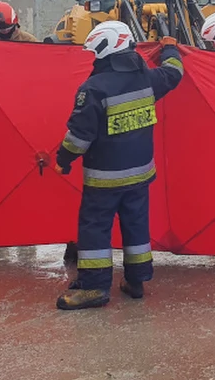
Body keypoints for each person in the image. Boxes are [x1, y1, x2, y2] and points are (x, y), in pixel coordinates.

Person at [53, 20, 184, 310]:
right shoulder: (148, 79)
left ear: (105, 50)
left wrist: (62, 160)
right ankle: (136, 282)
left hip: (105, 180)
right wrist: (170, 49)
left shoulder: (94, 89)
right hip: (140, 175)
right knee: (136, 225)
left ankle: (94, 288)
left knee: (95, 229)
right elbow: (175, 74)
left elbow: (79, 137)